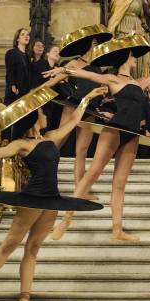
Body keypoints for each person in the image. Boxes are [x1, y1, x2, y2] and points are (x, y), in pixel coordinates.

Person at [0, 83, 106, 301]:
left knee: (33, 248)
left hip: (51, 200)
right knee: (9, 245)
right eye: (40, 112)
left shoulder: (50, 137)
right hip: (33, 199)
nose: (44, 114)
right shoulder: (21, 144)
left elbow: (73, 121)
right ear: (32, 119)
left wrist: (87, 97)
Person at [47, 36, 150, 241]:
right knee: (92, 175)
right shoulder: (113, 79)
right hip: (114, 130)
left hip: (131, 135)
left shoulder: (139, 82)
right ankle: (65, 221)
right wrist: (64, 70)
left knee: (120, 184)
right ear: (127, 58)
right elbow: (88, 76)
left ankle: (117, 230)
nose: (136, 60)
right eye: (133, 57)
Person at [50, 25, 113, 195]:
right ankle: (44, 178)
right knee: (58, 142)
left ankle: (80, 191)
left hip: (91, 109)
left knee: (82, 151)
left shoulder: (100, 66)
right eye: (97, 45)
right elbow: (55, 80)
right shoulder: (75, 62)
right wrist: (36, 91)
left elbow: (116, 60)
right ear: (92, 44)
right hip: (74, 105)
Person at [92, 0, 150, 78]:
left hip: (136, 31)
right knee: (120, 59)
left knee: (136, 60)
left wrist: (147, 29)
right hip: (120, 30)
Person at [4, 28, 31, 103]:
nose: (26, 36)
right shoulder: (12, 52)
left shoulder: (27, 56)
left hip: (25, 93)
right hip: (15, 92)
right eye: (23, 34)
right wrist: (13, 86)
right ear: (17, 39)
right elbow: (10, 71)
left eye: (28, 35)